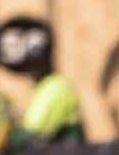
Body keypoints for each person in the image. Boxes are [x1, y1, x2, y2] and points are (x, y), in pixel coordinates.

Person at [10, 16, 85, 145]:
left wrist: (12, 138)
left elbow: (35, 132)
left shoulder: (56, 87)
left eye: (33, 61)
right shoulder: (43, 88)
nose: (30, 68)